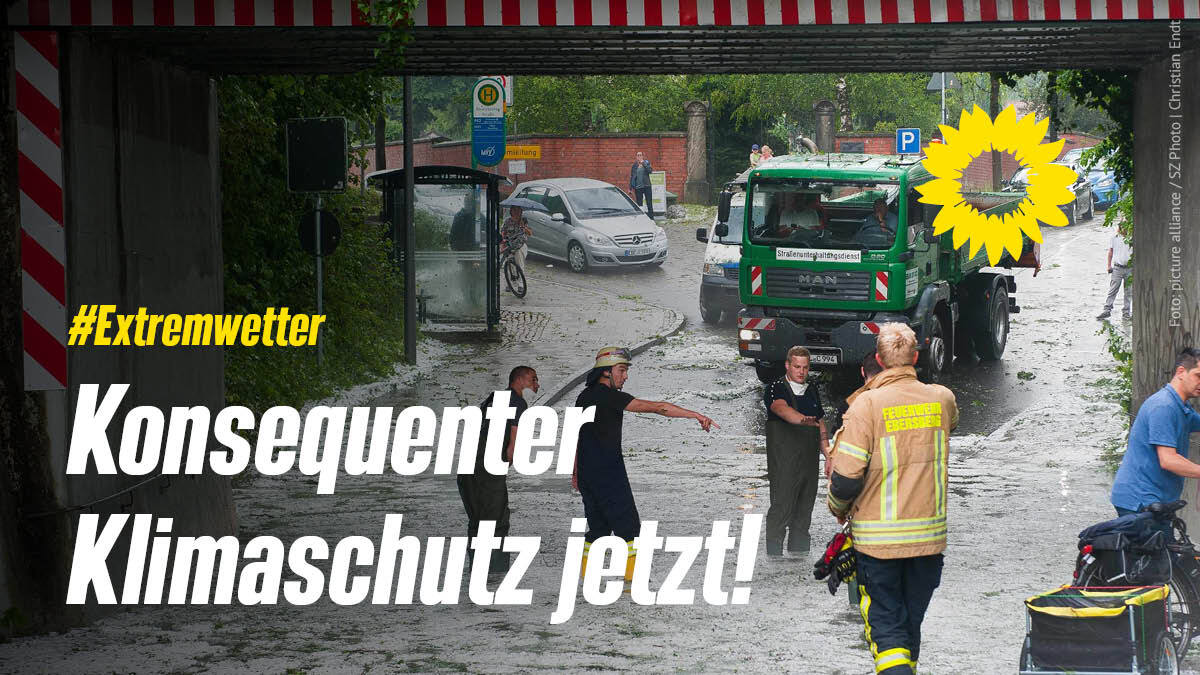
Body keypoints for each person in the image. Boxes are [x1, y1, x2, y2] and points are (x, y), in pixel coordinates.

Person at [827, 323, 959, 675]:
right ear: (916, 357)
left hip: (879, 545)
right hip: (928, 542)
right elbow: (950, 425)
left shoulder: (866, 406)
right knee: (908, 626)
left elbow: (845, 478)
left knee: (887, 631)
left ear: (881, 360)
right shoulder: (942, 398)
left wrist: (837, 511)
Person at [573, 346, 717, 578]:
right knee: (629, 530)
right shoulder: (610, 398)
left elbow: (576, 436)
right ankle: (633, 582)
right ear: (606, 372)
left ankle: (583, 577)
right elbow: (658, 408)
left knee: (598, 529)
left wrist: (575, 472)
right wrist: (695, 415)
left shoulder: (583, 397)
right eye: (622, 370)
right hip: (609, 473)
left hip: (587, 473)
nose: (626, 376)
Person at [457, 366, 540, 575]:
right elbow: (513, 445)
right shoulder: (518, 402)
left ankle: (477, 567)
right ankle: (494, 571)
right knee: (496, 519)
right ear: (520, 380)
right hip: (488, 468)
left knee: (476, 519)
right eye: (533, 379)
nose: (537, 383)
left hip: (468, 468)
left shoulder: (494, 398)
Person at [1109, 348, 1200, 530]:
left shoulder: (1180, 406)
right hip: (1140, 501)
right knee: (1159, 556)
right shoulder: (1164, 407)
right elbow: (1168, 460)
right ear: (1181, 372)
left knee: (1169, 554)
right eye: (1198, 375)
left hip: (1157, 500)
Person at [763, 346, 829, 556]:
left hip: (809, 462)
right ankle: (773, 556)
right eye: (797, 367)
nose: (801, 371)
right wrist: (806, 420)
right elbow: (782, 409)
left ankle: (799, 559)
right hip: (784, 462)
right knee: (781, 507)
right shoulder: (775, 388)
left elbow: (821, 423)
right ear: (787, 366)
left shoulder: (811, 390)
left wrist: (829, 455)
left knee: (804, 511)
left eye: (805, 367)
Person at [1097, 222, 1133, 320]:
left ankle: (1126, 313)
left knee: (1128, 291)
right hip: (1117, 268)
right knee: (1113, 289)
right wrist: (1109, 265)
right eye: (1122, 227)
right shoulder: (1114, 237)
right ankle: (1107, 310)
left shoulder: (1132, 238)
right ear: (1119, 227)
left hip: (1130, 268)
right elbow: (1111, 251)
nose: (1124, 229)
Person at [500, 205, 533, 274]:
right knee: (510, 266)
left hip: (520, 245)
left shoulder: (524, 220)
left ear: (521, 212)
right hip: (509, 245)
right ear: (511, 211)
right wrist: (503, 241)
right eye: (514, 210)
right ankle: (511, 282)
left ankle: (520, 283)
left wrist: (523, 226)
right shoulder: (507, 221)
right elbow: (503, 232)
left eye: (518, 210)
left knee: (519, 263)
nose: (516, 212)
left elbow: (530, 233)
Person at [629, 151, 655, 219]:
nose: (639, 156)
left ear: (643, 156)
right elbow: (632, 176)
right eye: (638, 155)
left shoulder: (646, 163)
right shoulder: (634, 165)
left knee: (649, 202)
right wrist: (630, 188)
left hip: (647, 186)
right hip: (638, 187)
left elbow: (650, 171)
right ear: (636, 157)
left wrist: (643, 163)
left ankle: (651, 218)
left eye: (640, 155)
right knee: (639, 204)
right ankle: (641, 218)